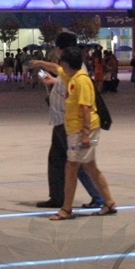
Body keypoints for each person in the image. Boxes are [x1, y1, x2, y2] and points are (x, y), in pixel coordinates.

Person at [34, 32, 104, 211]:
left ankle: (100, 197)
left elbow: (84, 104)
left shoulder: (76, 70)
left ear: (59, 49)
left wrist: (86, 133)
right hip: (61, 122)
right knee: (57, 160)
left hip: (72, 125)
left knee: (78, 163)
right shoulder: (68, 67)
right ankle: (57, 197)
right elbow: (61, 75)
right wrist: (51, 79)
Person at [48, 47, 119, 220]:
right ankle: (108, 202)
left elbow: (86, 108)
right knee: (90, 166)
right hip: (74, 128)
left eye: (61, 61)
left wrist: (86, 134)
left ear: (66, 63)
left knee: (71, 167)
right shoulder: (71, 76)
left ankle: (66, 209)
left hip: (82, 129)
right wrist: (38, 64)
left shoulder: (82, 81)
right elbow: (55, 69)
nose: (59, 64)